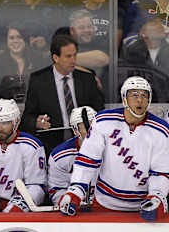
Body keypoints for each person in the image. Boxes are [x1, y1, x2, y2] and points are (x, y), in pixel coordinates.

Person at [59, 76, 169, 222]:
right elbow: (88, 159)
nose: (140, 100)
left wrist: (157, 196)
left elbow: (160, 171)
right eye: (134, 95)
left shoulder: (161, 130)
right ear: (124, 98)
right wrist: (76, 190)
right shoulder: (103, 121)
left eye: (144, 95)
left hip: (141, 206)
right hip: (105, 203)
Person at [20, 35, 104, 156]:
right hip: (53, 146)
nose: (73, 60)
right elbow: (27, 118)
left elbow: (99, 111)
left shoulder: (87, 78)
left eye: (75, 55)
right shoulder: (39, 81)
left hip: (86, 142)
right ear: (56, 58)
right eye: (68, 56)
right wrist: (36, 122)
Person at [48, 106, 97, 205]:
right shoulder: (59, 156)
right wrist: (69, 201)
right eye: (86, 127)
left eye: (95, 125)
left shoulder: (113, 149)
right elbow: (57, 190)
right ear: (75, 130)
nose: (92, 131)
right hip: (76, 210)